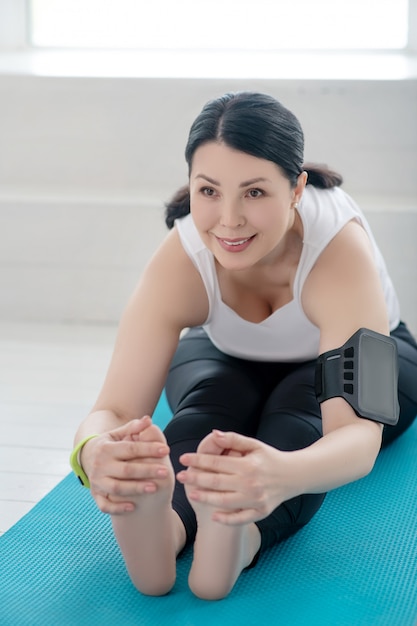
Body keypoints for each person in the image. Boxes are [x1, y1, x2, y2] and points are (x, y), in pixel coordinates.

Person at [71, 91, 417, 600]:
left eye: (254, 193)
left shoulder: (341, 251)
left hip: (383, 356)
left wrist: (280, 475)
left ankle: (241, 536)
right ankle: (164, 526)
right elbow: (115, 408)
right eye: (209, 191)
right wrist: (95, 452)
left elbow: (357, 438)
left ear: (297, 188)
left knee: (300, 423)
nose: (228, 220)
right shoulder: (182, 257)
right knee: (205, 411)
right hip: (224, 353)